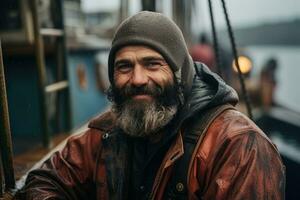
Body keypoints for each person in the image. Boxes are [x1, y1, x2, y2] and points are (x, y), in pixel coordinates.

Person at [20, 11, 285, 199]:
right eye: (124, 66)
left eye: (152, 64)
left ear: (181, 72)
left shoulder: (238, 147)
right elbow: (45, 180)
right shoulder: (106, 134)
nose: (136, 79)